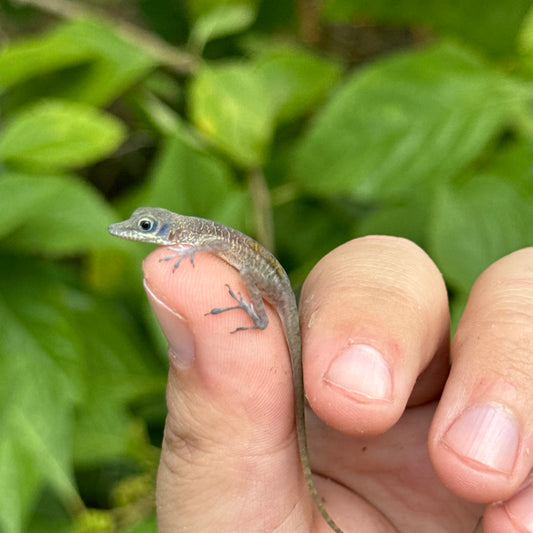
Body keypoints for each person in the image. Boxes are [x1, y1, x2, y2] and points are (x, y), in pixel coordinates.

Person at [143, 235, 533, 532]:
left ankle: (258, 318)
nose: (137, 233)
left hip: (269, 289)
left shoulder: (194, 238)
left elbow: (213, 243)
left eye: (145, 229)